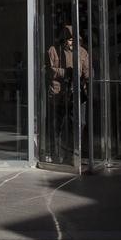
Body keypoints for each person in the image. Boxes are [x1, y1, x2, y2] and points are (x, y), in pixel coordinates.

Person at [45, 24, 90, 164]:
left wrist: (87, 80)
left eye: (75, 39)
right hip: (58, 94)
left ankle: (73, 154)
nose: (72, 42)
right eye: (70, 39)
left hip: (76, 94)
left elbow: (87, 72)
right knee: (55, 125)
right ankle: (55, 154)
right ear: (64, 39)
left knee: (79, 124)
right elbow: (49, 70)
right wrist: (66, 72)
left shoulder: (83, 52)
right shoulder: (53, 50)